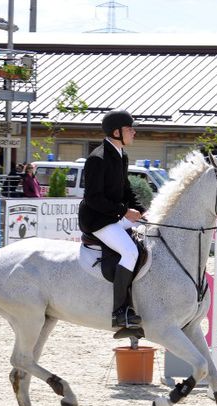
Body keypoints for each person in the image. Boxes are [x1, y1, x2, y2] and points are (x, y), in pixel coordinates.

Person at [78, 110, 146, 329]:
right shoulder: (97, 159)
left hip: (114, 215)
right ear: (117, 132)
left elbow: (126, 190)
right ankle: (120, 311)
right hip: (98, 221)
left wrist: (143, 211)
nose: (134, 132)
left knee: (149, 233)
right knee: (130, 251)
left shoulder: (121, 155)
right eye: (129, 129)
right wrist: (124, 212)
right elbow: (93, 198)